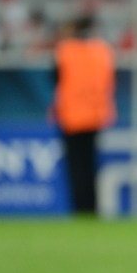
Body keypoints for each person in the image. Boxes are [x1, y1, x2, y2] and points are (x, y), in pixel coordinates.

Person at [51, 14, 116, 214]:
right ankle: (92, 208)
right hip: (96, 115)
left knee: (76, 167)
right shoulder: (102, 50)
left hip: (72, 116)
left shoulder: (65, 51)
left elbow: (54, 78)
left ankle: (79, 208)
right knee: (90, 165)